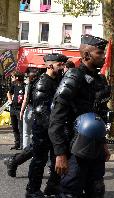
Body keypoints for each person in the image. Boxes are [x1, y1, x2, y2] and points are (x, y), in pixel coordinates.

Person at [48, 34, 112, 198]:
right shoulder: (73, 77)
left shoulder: (100, 80)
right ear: (86, 55)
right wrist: (60, 153)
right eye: (100, 53)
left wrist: (103, 143)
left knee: (97, 189)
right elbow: (56, 117)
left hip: (95, 146)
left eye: (103, 53)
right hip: (74, 148)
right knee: (70, 191)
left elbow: (100, 115)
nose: (104, 56)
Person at [26, 53, 68, 198]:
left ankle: (52, 187)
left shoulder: (59, 80)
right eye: (60, 65)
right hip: (43, 129)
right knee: (39, 160)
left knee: (57, 159)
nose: (63, 67)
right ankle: (32, 190)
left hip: (55, 128)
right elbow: (41, 111)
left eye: (63, 64)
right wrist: (53, 128)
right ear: (49, 65)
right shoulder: (42, 83)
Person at [7, 71, 25, 150]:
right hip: (13, 108)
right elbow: (8, 93)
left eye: (12, 77)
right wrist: (10, 101)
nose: (11, 78)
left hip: (20, 109)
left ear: (17, 77)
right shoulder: (14, 85)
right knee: (14, 127)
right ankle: (17, 143)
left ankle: (22, 144)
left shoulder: (24, 86)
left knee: (21, 127)